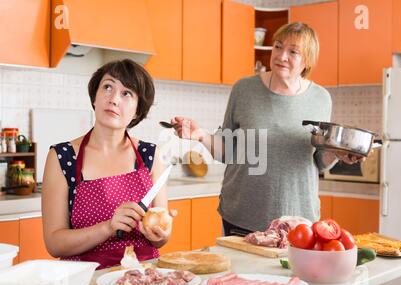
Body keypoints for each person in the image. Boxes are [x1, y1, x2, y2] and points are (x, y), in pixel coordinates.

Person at [171, 22, 365, 235]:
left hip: (298, 218)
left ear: (307, 60)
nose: (282, 56)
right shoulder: (244, 89)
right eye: (278, 47)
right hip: (243, 214)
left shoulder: (321, 98)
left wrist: (336, 153)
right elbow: (229, 152)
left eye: (293, 52)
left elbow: (319, 162)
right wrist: (201, 136)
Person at [42, 59, 176, 269]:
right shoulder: (62, 157)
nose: (113, 99)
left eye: (126, 93)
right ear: (94, 97)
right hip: (86, 279)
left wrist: (161, 234)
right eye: (107, 87)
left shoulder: (151, 155)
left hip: (144, 276)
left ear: (138, 111)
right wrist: (107, 227)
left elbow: (159, 239)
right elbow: (54, 244)